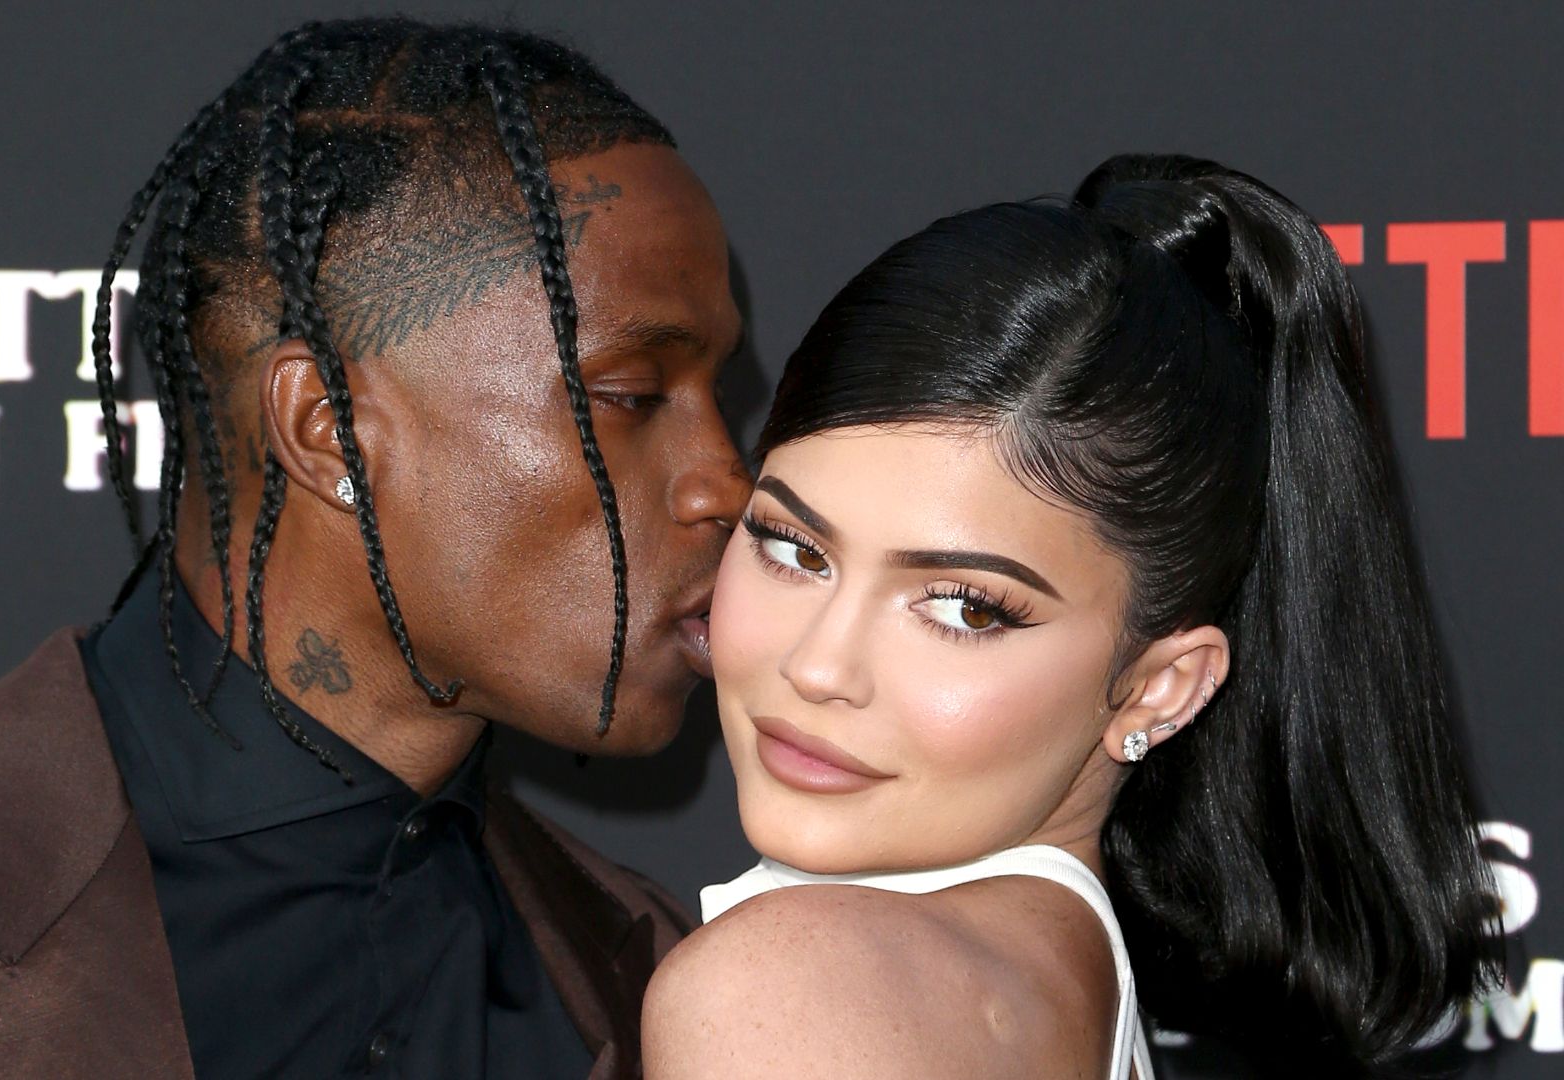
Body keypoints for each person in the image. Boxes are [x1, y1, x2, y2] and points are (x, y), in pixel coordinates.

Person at [0, 17, 749, 1079]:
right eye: (632, 393)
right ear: (328, 430)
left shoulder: (663, 994)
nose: (726, 482)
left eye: (718, 395)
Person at [642, 154, 1501, 1078]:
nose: (818, 668)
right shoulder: (1047, 984)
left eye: (964, 608)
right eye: (793, 549)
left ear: (1159, 689)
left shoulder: (786, 991)